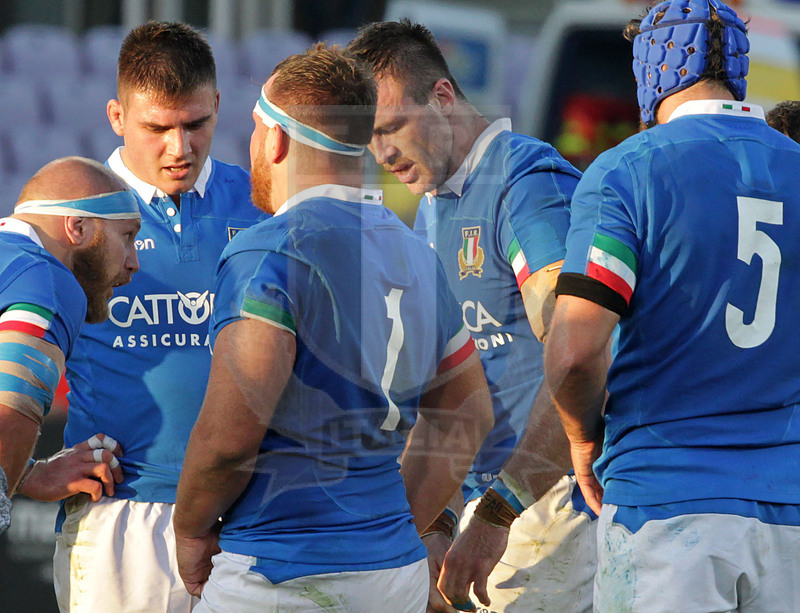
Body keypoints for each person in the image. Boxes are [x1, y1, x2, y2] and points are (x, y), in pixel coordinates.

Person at [172, 44, 495, 613]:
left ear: (274, 138)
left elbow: (228, 440)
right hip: (391, 574)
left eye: (253, 129)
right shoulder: (417, 254)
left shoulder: (268, 249)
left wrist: (191, 529)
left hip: (280, 575)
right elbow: (467, 414)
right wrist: (390, 527)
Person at [545, 1, 800, 611]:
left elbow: (574, 354)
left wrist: (583, 440)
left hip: (668, 507)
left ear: (651, 68)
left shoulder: (626, 171)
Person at [348, 21, 596, 612]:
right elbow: (446, 393)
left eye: (390, 128)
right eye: (368, 139)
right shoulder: (431, 210)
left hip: (551, 509)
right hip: (491, 514)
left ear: (441, 96)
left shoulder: (525, 184)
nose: (381, 152)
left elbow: (581, 357)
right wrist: (440, 518)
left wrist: (498, 509)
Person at [24, 22, 264, 613]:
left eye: (195, 125)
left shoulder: (263, 205)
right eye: (157, 128)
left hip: (252, 513)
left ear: (217, 106)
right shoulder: (68, 222)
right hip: (120, 520)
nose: (179, 148)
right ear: (116, 116)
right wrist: (28, 475)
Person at [0, 156, 140, 534]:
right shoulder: (46, 279)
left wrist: (27, 475)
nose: (134, 261)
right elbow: (9, 414)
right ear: (77, 227)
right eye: (127, 237)